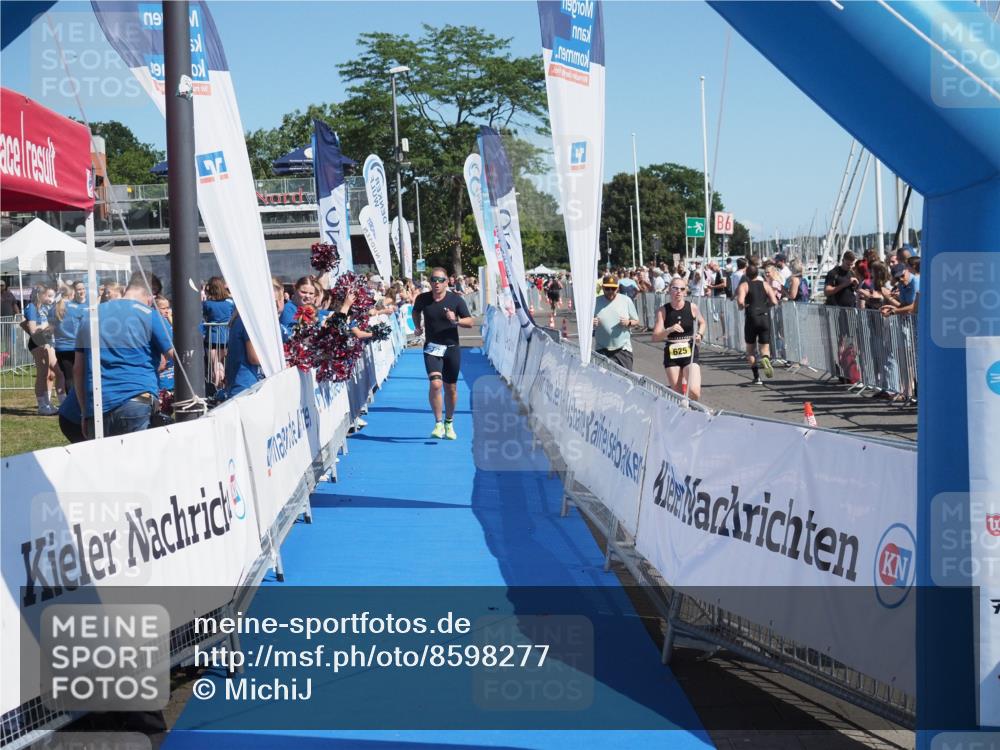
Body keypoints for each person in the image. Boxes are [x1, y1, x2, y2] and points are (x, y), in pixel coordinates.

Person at [74, 273, 174, 437]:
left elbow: (78, 369)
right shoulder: (150, 315)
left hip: (98, 406)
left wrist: (85, 411)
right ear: (150, 294)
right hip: (137, 400)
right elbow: (175, 354)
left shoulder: (89, 315)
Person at [412, 267, 473, 439]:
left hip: (452, 348)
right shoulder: (422, 298)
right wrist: (417, 326)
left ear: (447, 282)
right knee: (436, 384)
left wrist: (456, 320)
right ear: (430, 282)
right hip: (432, 347)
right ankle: (438, 424)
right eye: (434, 280)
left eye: (440, 280)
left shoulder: (456, 300)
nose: (436, 283)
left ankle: (449, 422)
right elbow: (415, 311)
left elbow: (470, 321)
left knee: (450, 388)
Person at [225, 277, 285, 399]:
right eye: (273, 302)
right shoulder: (249, 321)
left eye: (279, 300)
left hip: (253, 385)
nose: (277, 305)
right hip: (246, 388)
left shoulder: (251, 319)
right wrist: (283, 358)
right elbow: (254, 357)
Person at [652, 276, 706, 400]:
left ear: (685, 291)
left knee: (694, 390)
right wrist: (669, 329)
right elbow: (655, 337)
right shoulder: (663, 311)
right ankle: (684, 415)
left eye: (682, 289)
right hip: (672, 353)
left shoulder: (692, 307)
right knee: (677, 395)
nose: (679, 292)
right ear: (669, 290)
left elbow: (702, 323)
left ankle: (693, 411)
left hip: (689, 351)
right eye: (675, 288)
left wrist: (700, 334)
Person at [22, 285, 62, 414]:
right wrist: (46, 326)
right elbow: (33, 330)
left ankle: (47, 403)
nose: (49, 298)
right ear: (40, 295)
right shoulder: (32, 308)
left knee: (46, 373)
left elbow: (23, 324)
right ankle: (42, 406)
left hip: (42, 341)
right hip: (39, 342)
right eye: (47, 295)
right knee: (44, 374)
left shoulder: (41, 307)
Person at [736, 264, 778, 384]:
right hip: (764, 317)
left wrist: (742, 306)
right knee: (764, 347)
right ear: (758, 273)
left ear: (746, 275)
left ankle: (757, 377)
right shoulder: (765, 284)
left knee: (750, 350)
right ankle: (765, 358)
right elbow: (774, 301)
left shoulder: (744, 285)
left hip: (751, 318)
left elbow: (740, 301)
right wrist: (766, 306)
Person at [592, 274, 640, 370]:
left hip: (622, 349)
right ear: (602, 288)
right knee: (602, 381)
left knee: (626, 380)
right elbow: (587, 323)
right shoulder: (595, 301)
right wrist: (591, 322)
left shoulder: (626, 300)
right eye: (607, 288)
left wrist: (628, 322)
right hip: (602, 348)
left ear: (617, 288)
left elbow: (636, 321)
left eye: (613, 289)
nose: (610, 291)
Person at [52, 281, 87, 392]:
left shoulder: (53, 309)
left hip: (60, 348)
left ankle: (71, 405)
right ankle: (80, 403)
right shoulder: (76, 308)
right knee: (80, 377)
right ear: (71, 293)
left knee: (68, 377)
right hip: (76, 347)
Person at [202, 276, 236, 387]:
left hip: (212, 338)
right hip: (226, 337)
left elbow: (203, 316)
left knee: (215, 364)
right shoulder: (230, 302)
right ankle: (222, 386)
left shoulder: (207, 304)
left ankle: (217, 387)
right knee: (222, 363)